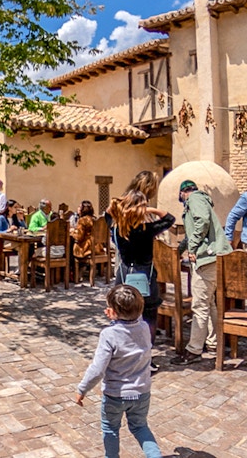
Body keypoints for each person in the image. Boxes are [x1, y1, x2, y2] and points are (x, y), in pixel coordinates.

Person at [76, 284, 162, 458]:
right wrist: (116, 317)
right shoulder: (144, 328)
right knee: (140, 427)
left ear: (113, 312)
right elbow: (130, 326)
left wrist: (82, 389)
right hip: (141, 392)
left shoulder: (109, 335)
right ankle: (155, 455)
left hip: (115, 394)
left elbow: (98, 369)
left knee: (110, 429)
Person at [106, 190, 175, 372]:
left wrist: (123, 205)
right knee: (148, 315)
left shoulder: (117, 227)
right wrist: (149, 209)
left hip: (124, 275)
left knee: (123, 313)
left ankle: (125, 354)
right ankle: (146, 357)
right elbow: (170, 219)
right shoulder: (147, 229)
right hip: (144, 275)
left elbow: (107, 212)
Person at [171, 180, 231, 365]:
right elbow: (192, 233)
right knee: (210, 302)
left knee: (199, 305)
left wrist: (192, 248)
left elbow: (202, 222)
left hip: (207, 259)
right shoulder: (201, 200)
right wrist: (180, 249)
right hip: (214, 258)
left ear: (183, 193)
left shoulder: (195, 199)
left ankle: (194, 349)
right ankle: (213, 343)